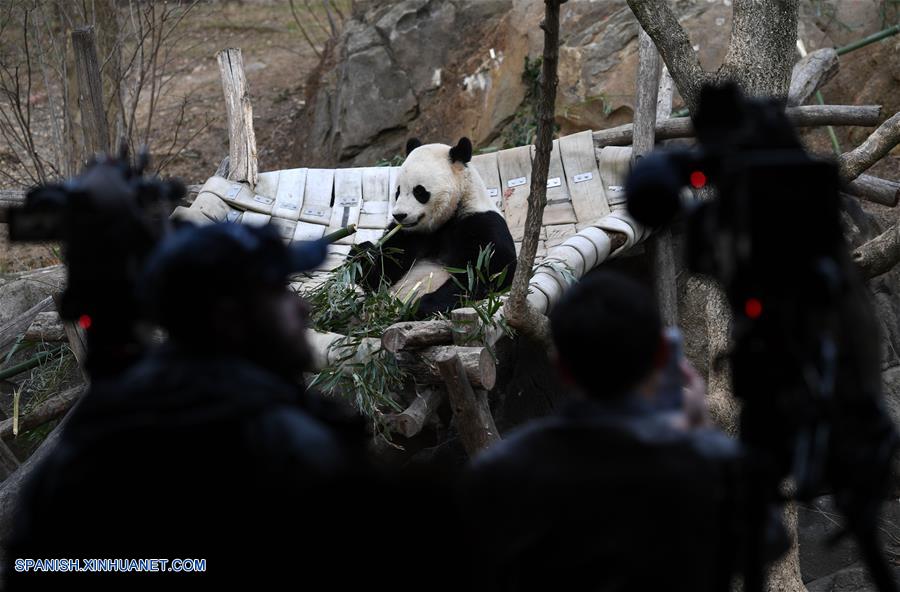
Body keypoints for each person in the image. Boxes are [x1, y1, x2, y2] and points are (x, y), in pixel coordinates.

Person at [4, 223, 370, 588]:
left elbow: (31, 564)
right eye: (277, 292)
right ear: (230, 317)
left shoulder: (102, 415)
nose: (302, 306)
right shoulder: (278, 436)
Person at [461, 271, 761, 592]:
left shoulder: (500, 470)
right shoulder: (696, 466)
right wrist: (702, 431)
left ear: (560, 366)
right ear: (660, 354)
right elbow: (763, 540)